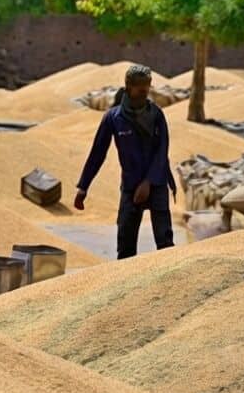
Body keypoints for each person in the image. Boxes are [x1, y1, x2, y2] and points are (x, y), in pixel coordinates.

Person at [74, 64, 177, 259]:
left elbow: (162, 152)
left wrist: (148, 182)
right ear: (129, 87)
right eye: (140, 89)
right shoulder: (114, 118)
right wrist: (83, 186)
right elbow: (97, 153)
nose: (144, 93)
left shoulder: (156, 115)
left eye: (147, 88)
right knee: (125, 248)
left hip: (156, 183)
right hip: (130, 186)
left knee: (165, 243)